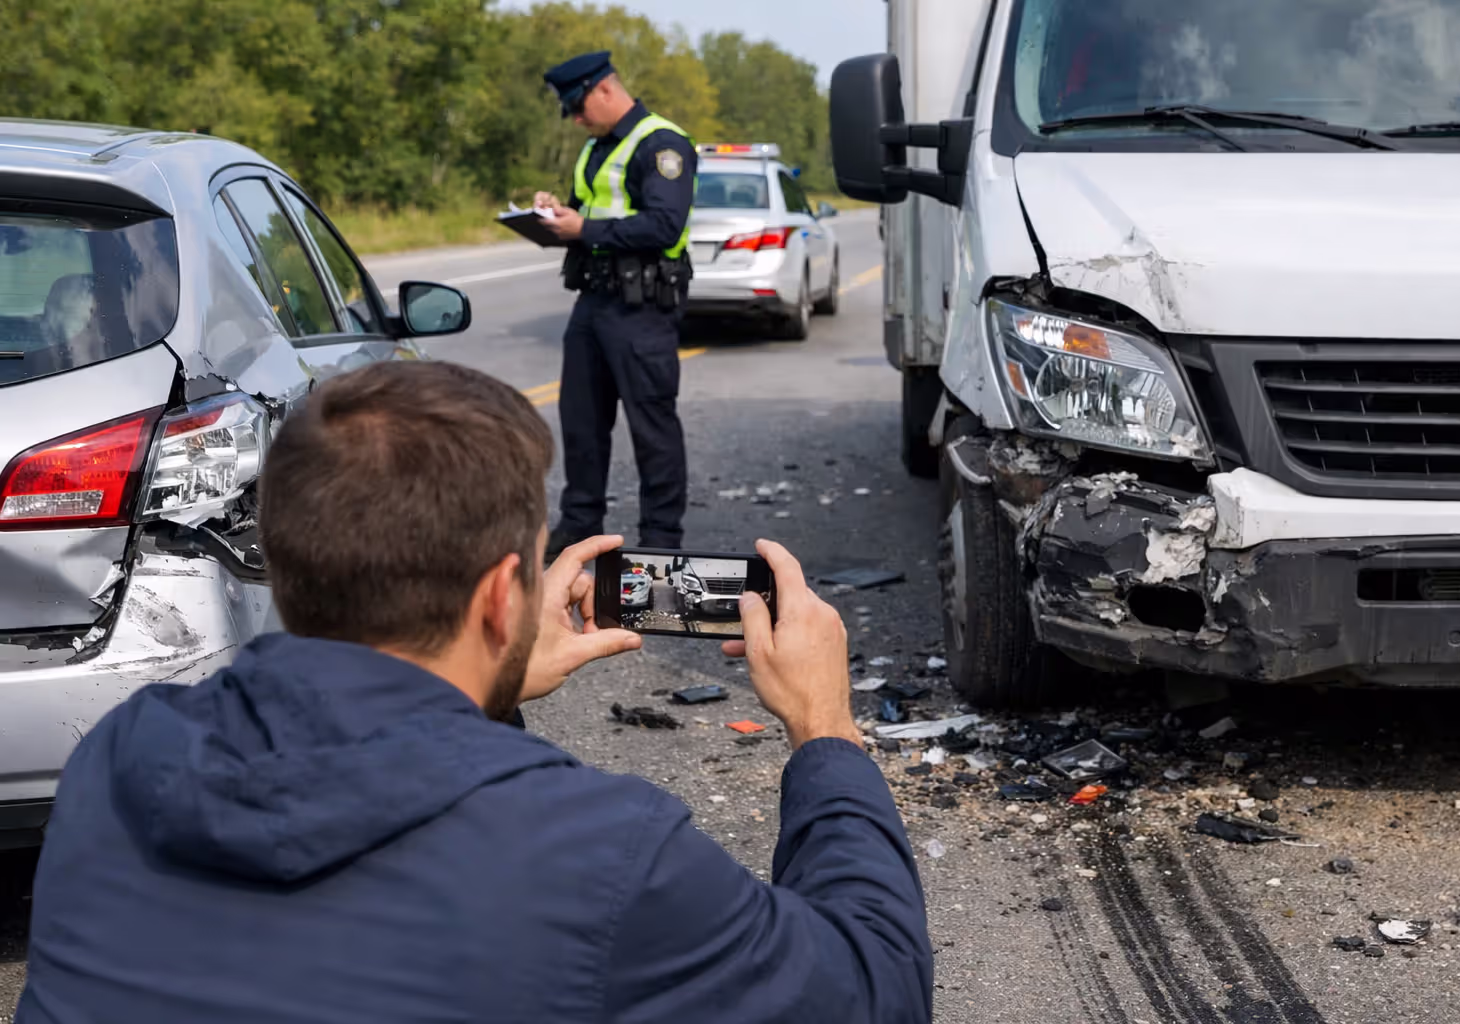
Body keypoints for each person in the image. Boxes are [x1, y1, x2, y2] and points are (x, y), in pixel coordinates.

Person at [17, 360, 932, 1024]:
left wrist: (482, 687)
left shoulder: (118, 759)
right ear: (503, 597)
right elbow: (876, 988)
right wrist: (825, 728)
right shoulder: (602, 852)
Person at [535, 51, 696, 559]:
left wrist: (584, 229)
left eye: (580, 107)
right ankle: (580, 527)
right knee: (581, 420)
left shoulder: (661, 144)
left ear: (605, 88)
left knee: (652, 426)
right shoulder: (595, 149)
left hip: (642, 307)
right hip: (594, 302)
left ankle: (661, 542)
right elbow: (590, 213)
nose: (578, 119)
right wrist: (560, 216)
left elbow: (664, 225)